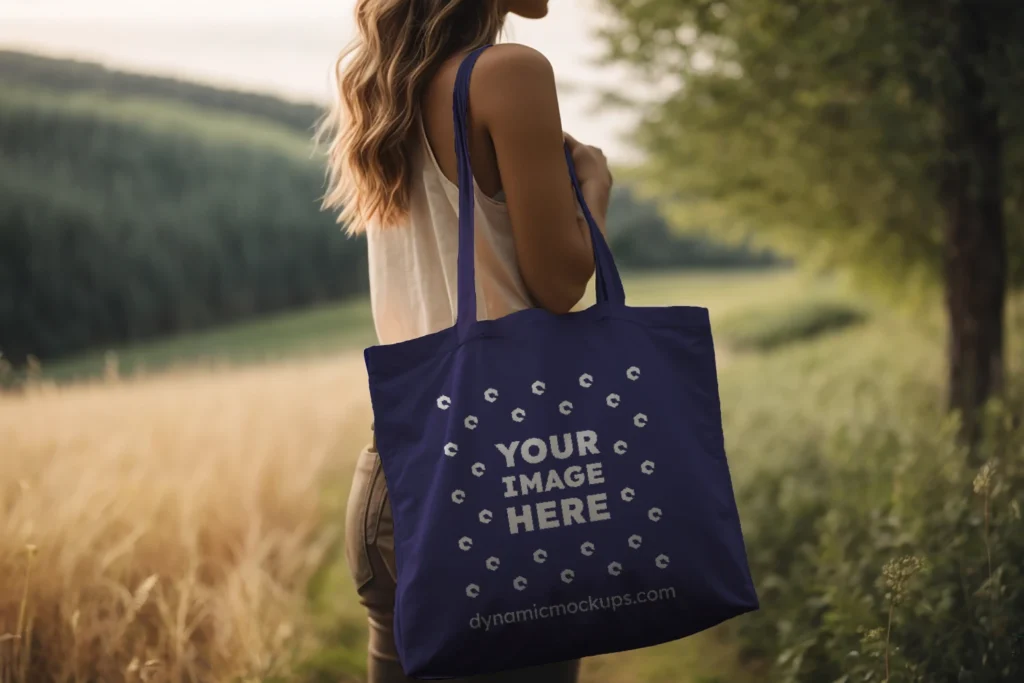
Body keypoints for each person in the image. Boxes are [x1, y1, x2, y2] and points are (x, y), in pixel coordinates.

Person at [317, 1, 614, 681]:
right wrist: (593, 192)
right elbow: (560, 282)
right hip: (511, 474)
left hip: (395, 479)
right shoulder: (509, 74)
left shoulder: (382, 85)